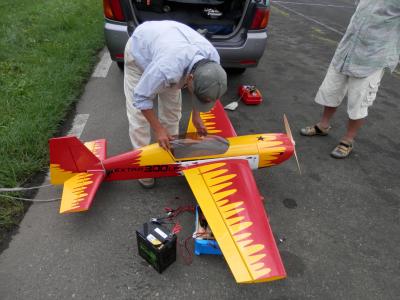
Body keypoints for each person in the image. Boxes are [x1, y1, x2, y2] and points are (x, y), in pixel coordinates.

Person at [124, 20, 227, 187]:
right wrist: (158, 129)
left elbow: (200, 90)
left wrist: (197, 116)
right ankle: (143, 168)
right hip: (140, 51)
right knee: (139, 119)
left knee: (172, 112)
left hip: (170, 48)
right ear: (190, 79)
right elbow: (140, 98)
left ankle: (169, 154)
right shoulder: (167, 69)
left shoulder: (213, 61)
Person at [300, 0, 400, 158]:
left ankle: (348, 140)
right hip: (346, 50)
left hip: (372, 58)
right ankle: (323, 125)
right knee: (331, 90)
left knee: (359, 102)